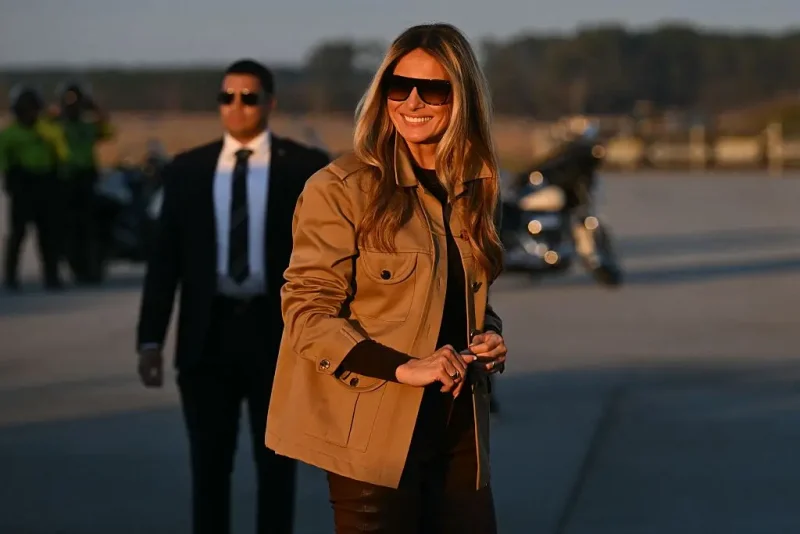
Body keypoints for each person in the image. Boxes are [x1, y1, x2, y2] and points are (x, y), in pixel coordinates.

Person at [266, 23, 508, 533]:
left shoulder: (475, 187)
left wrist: (489, 334)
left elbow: (456, 298)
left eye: (433, 89)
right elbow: (306, 313)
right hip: (374, 438)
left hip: (459, 433)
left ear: (462, 97)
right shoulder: (341, 188)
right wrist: (405, 367)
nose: (412, 102)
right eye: (400, 86)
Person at [135, 59, 329, 534]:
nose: (237, 106)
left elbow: (330, 260)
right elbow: (165, 262)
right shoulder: (188, 169)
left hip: (277, 337)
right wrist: (150, 340)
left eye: (248, 97)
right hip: (207, 337)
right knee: (208, 469)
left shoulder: (303, 167)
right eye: (227, 97)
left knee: (277, 468)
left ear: (269, 102)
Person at [0, 85, 69, 291]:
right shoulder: (9, 134)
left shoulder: (48, 130)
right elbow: (3, 160)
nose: (29, 114)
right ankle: (11, 277)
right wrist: (10, 181)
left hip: (46, 183)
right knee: (18, 234)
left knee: (48, 234)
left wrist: (60, 176)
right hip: (22, 184)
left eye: (32, 109)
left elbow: (62, 153)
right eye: (25, 110)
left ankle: (51, 276)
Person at [55, 82, 114, 284]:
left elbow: (108, 131)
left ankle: (91, 268)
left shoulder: (88, 126)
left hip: (86, 178)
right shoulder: (56, 127)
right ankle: (78, 268)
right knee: (70, 227)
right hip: (66, 179)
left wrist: (96, 109)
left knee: (89, 227)